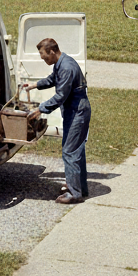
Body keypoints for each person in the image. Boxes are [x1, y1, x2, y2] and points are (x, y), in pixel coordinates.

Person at [25, 37, 90, 204]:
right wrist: (34, 85)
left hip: (77, 112)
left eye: (43, 55)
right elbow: (53, 79)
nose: (42, 59)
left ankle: (74, 194)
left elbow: (61, 95)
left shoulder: (67, 68)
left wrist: (40, 109)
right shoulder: (61, 64)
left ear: (52, 51)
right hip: (74, 111)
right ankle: (80, 187)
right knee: (76, 150)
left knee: (70, 151)